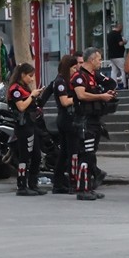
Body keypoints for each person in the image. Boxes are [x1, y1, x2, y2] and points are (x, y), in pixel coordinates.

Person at [70, 48, 116, 201]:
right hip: (85, 121)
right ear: (91, 59)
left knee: (91, 155)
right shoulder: (79, 76)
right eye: (99, 59)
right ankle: (82, 189)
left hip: (94, 120)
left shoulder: (93, 76)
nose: (100, 62)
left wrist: (106, 95)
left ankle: (88, 188)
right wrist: (101, 96)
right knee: (85, 155)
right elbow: (81, 95)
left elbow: (108, 85)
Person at [40, 54, 78, 195]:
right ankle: (73, 183)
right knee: (72, 153)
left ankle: (59, 183)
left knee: (63, 153)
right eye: (73, 68)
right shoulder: (61, 81)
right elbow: (64, 101)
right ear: (67, 68)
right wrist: (79, 97)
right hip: (67, 119)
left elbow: (45, 96)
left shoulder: (60, 81)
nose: (75, 70)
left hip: (64, 119)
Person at [6, 63, 44, 197]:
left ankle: (33, 184)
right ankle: (21, 186)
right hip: (23, 127)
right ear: (22, 75)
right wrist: (32, 96)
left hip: (32, 125)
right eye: (30, 76)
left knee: (36, 155)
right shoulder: (15, 89)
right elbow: (21, 106)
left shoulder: (24, 88)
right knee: (25, 156)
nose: (32, 79)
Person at [106, 23, 127, 89]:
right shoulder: (117, 34)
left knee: (114, 71)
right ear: (119, 27)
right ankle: (124, 84)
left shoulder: (109, 34)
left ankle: (114, 85)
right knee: (123, 69)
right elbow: (120, 43)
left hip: (111, 55)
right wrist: (125, 42)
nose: (122, 29)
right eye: (121, 27)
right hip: (118, 55)